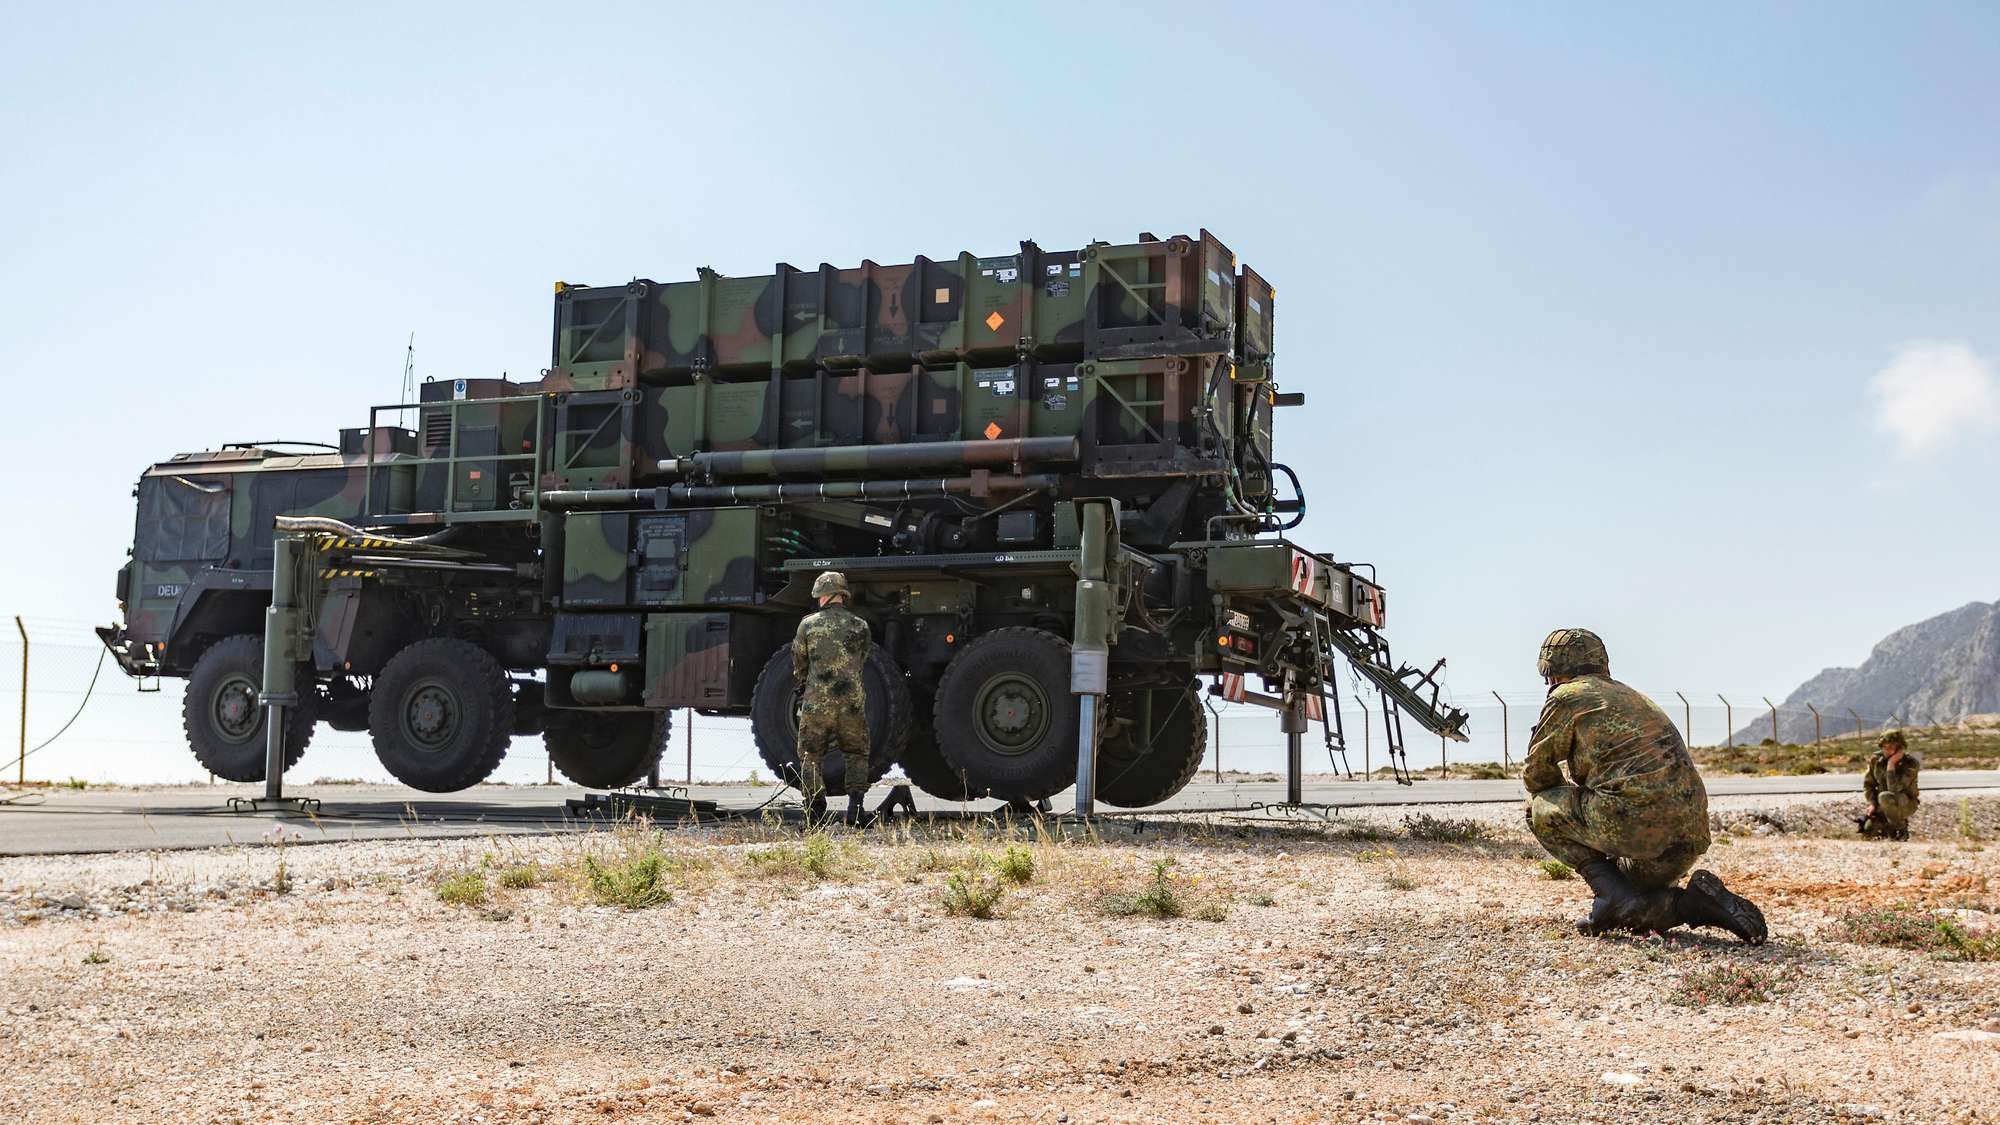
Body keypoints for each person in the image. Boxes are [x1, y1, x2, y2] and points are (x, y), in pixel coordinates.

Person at [1523, 628, 1767, 944]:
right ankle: (1696, 905)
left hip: (1634, 826)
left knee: (1540, 808)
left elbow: (1536, 776)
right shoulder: (1631, 695)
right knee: (1633, 899)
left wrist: (1572, 796)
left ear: (1552, 671)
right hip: (1687, 836)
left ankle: (1615, 898)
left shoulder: (1566, 696)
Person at [792, 571, 874, 827]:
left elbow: (799, 664)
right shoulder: (860, 626)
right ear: (842, 595)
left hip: (817, 704)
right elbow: (863, 659)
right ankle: (856, 810)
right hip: (851, 703)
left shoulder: (808, 625)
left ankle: (815, 813)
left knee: (810, 755)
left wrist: (809, 681)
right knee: (856, 753)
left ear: (825, 595)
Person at [1859, 729, 1921, 841]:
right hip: (1882, 803)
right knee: (1868, 832)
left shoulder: (1911, 764)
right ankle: (1887, 827)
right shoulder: (1876, 760)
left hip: (1905, 803)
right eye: (1884, 747)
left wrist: (1891, 764)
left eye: (1891, 747)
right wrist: (1872, 803)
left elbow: (1894, 788)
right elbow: (1869, 784)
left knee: (1885, 796)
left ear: (1900, 748)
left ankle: (1900, 828)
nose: (1887, 750)